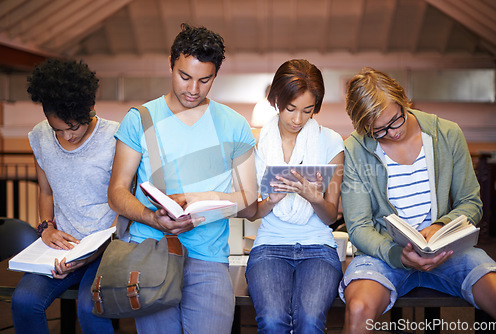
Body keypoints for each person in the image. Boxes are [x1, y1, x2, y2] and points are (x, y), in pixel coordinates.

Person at [107, 23, 257, 333]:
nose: (193, 89)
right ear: (171, 65)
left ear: (215, 76)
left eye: (205, 80)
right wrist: (153, 218)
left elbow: (249, 198)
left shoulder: (234, 124)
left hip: (209, 258)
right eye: (184, 76)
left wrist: (202, 200)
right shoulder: (140, 119)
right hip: (150, 251)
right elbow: (117, 192)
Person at [340, 67, 496, 333]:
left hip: (448, 250)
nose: (392, 133)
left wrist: (439, 227)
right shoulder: (355, 148)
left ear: (404, 100)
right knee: (358, 309)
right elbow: (358, 227)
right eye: (378, 131)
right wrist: (397, 255)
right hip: (384, 252)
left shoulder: (447, 134)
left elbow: (471, 202)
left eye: (396, 120)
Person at [11, 59, 118, 334]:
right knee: (23, 301)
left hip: (107, 247)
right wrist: (46, 227)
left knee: (89, 308)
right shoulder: (39, 137)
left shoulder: (115, 137)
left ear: (89, 110)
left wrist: (97, 247)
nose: (67, 136)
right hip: (61, 248)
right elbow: (45, 191)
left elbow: (125, 200)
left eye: (74, 127)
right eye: (58, 129)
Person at [245, 59, 345, 333]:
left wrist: (313, 196)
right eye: (291, 109)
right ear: (276, 99)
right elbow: (251, 213)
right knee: (273, 321)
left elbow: (330, 216)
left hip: (319, 248)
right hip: (269, 246)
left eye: (307, 111)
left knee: (310, 321)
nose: (298, 119)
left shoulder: (332, 142)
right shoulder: (256, 143)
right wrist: (273, 199)